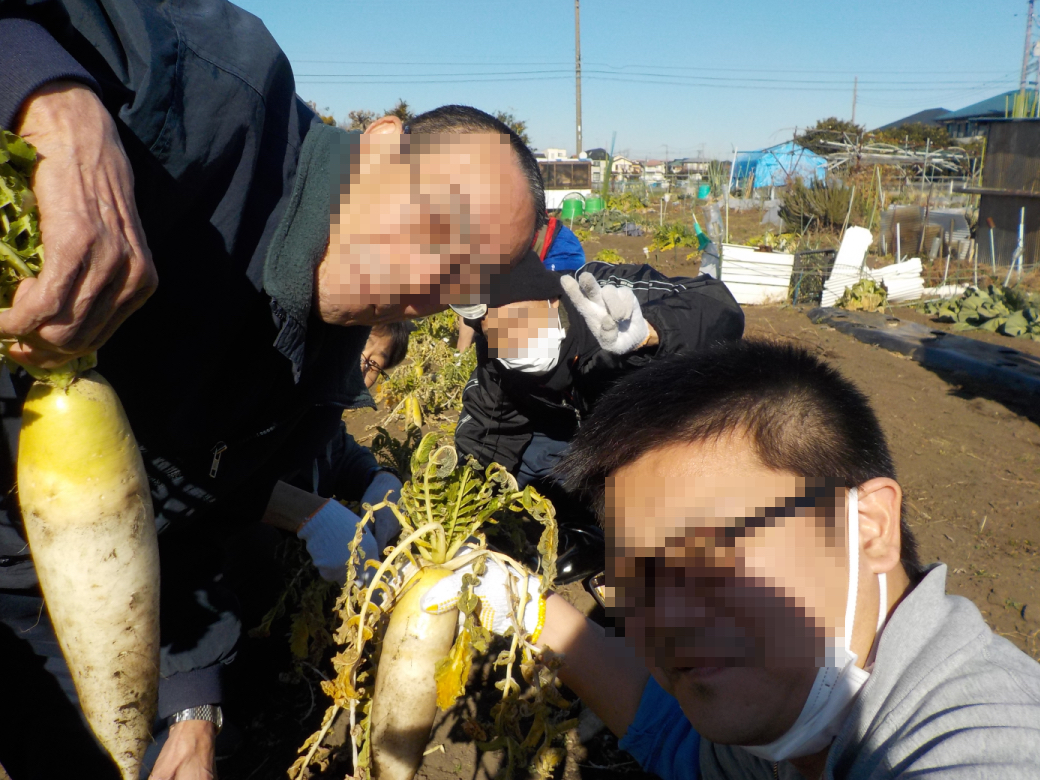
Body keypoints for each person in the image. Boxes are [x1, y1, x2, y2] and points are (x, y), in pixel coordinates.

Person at [0, 2, 543, 778]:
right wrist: (50, 95)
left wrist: (191, 703)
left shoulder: (316, 383)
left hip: (47, 594)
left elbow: (191, 522)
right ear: (382, 145)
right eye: (438, 220)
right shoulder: (214, 90)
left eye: (464, 279)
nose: (429, 276)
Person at [422, 340, 1040, 779]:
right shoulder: (795, 710)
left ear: (869, 526)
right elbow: (680, 742)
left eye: (714, 549)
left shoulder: (981, 745)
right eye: (636, 575)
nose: (666, 616)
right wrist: (521, 601)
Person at [450, 252, 743, 581]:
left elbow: (720, 306)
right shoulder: (498, 359)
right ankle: (583, 526)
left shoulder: (599, 292)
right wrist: (462, 509)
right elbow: (489, 430)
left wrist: (651, 331)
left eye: (519, 322)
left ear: (550, 300)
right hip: (577, 437)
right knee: (530, 463)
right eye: (497, 334)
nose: (512, 342)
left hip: (657, 427)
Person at [457, 215, 587, 352]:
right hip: (530, 247)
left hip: (557, 246)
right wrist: (462, 350)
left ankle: (565, 350)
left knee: (553, 305)